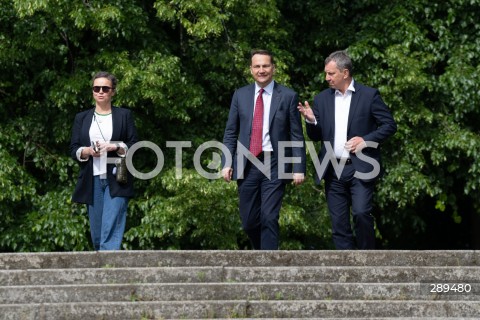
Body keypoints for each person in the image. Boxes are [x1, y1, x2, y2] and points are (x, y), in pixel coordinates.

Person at [298, 50, 397, 249]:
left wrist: (366, 140)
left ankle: (367, 260)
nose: (327, 78)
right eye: (326, 73)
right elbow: (316, 136)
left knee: (361, 213)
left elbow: (389, 125)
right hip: (332, 168)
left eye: (331, 73)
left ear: (345, 73)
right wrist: (311, 120)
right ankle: (347, 269)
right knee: (339, 224)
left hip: (361, 167)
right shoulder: (322, 99)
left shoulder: (369, 95)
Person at [222, 49, 306, 250]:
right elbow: (231, 132)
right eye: (257, 66)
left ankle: (268, 264)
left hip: (275, 163)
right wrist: (226, 162)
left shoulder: (287, 96)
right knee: (249, 221)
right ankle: (261, 255)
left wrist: (299, 167)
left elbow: (296, 135)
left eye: (265, 66)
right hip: (246, 163)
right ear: (251, 70)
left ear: (273, 68)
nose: (262, 70)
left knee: (269, 216)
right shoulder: (240, 95)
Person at [70, 71, 138, 251]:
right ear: (92, 91)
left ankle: (109, 266)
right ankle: (103, 267)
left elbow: (134, 144)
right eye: (96, 88)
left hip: (117, 177)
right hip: (91, 179)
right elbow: (74, 148)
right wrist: (87, 151)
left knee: (111, 226)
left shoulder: (124, 115)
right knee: (98, 234)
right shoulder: (82, 118)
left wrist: (114, 146)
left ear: (112, 92)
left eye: (105, 88)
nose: (100, 91)